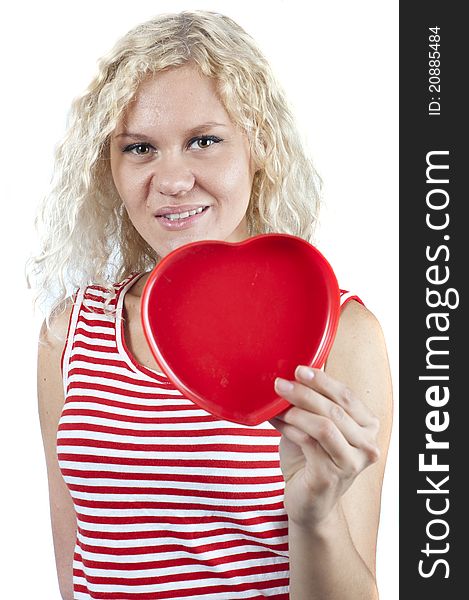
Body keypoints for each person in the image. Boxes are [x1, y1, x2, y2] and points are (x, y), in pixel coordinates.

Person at [29, 10, 393, 600]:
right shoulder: (70, 331)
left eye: (205, 140)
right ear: (110, 169)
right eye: (140, 148)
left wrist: (315, 516)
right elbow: (77, 572)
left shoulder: (339, 331)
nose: (171, 179)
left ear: (258, 148)